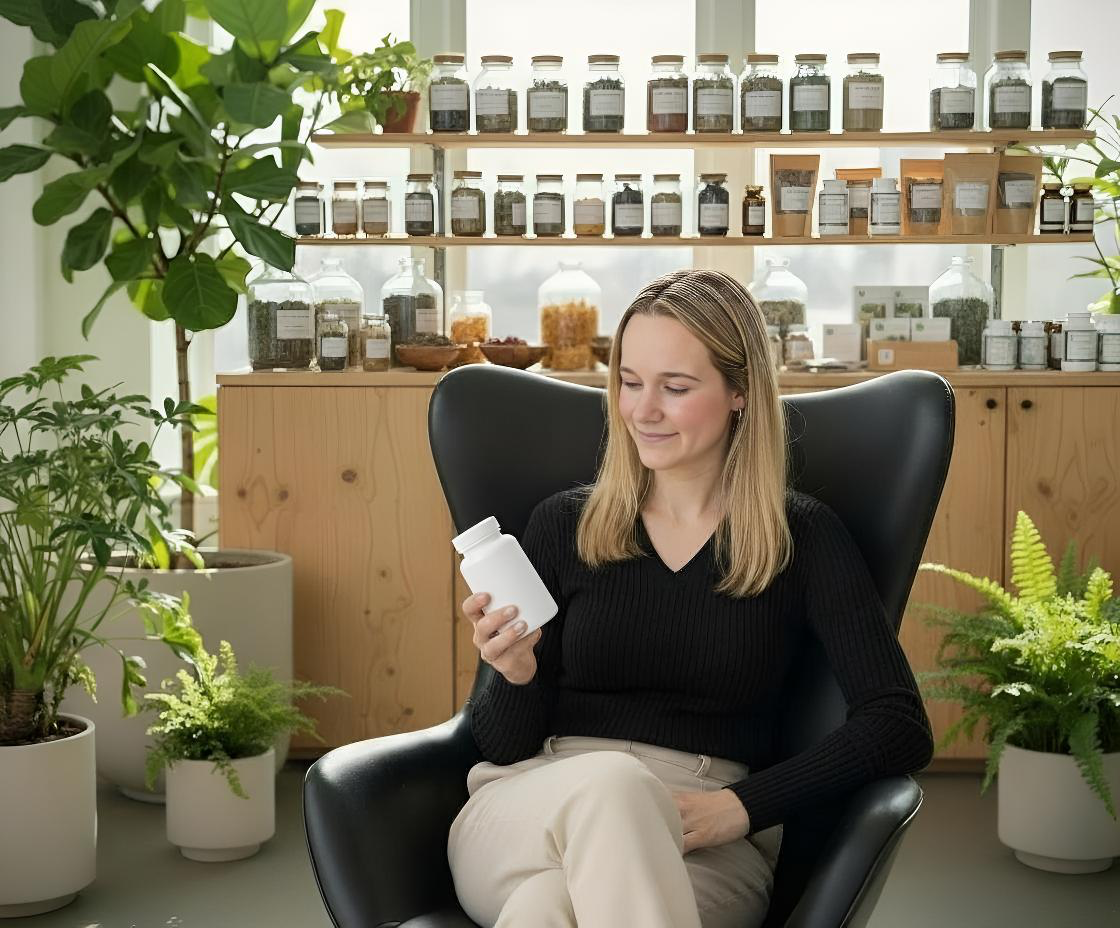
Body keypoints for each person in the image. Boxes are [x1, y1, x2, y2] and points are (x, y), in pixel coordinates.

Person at [447, 269, 934, 928]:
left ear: (740, 392)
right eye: (629, 382)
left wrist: (743, 807)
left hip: (704, 841)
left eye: (675, 388)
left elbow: (898, 723)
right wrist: (516, 673)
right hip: (531, 808)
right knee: (614, 788)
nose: (643, 411)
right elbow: (503, 745)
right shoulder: (564, 525)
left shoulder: (802, 538)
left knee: (543, 912)